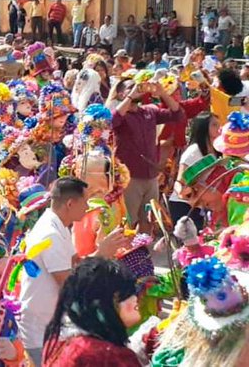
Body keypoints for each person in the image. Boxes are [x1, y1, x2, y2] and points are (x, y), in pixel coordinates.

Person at [18, 177, 129, 367]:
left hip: (51, 323)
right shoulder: (50, 233)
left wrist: (103, 250)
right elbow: (68, 282)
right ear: (70, 203)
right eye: (85, 201)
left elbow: (75, 262)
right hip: (39, 329)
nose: (87, 207)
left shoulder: (58, 224)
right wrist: (101, 254)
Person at [42, 257, 142, 366]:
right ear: (100, 306)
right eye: (124, 295)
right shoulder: (108, 356)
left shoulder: (58, 341)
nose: (135, 298)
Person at [113, 79, 183, 232]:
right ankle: (125, 254)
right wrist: (130, 97)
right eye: (130, 87)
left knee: (149, 221)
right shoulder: (121, 114)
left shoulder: (149, 111)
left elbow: (177, 114)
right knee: (128, 222)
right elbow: (111, 121)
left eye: (137, 86)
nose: (137, 89)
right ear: (120, 94)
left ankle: (143, 253)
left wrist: (162, 93)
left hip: (151, 176)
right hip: (129, 179)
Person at [168, 112, 219, 228]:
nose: (219, 129)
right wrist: (188, 195)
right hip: (184, 206)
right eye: (214, 125)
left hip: (202, 205)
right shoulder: (193, 152)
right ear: (204, 128)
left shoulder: (217, 151)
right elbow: (179, 182)